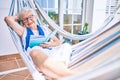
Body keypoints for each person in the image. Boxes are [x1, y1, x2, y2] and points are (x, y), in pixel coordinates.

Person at [4, 7, 75, 80]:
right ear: (22, 22)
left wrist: (50, 44)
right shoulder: (23, 31)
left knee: (66, 46)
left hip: (51, 51)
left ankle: (50, 72)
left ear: (35, 17)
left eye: (31, 16)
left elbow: (58, 42)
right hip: (37, 53)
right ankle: (70, 76)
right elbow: (7, 19)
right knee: (35, 52)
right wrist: (20, 17)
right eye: (25, 19)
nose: (29, 20)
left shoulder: (45, 28)